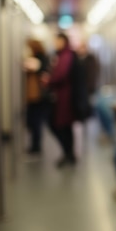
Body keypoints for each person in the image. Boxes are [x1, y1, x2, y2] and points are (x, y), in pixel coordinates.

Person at [44, 32, 78, 167]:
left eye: (57, 41)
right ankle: (69, 153)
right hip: (63, 96)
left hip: (65, 97)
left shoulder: (66, 56)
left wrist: (49, 80)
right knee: (65, 126)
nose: (55, 44)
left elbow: (61, 75)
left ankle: (68, 152)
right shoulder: (62, 55)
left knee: (59, 125)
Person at [23, 38, 50, 155]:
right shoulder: (40, 58)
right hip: (33, 95)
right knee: (33, 121)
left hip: (38, 95)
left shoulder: (41, 59)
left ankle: (36, 146)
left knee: (36, 121)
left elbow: (42, 72)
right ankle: (34, 145)